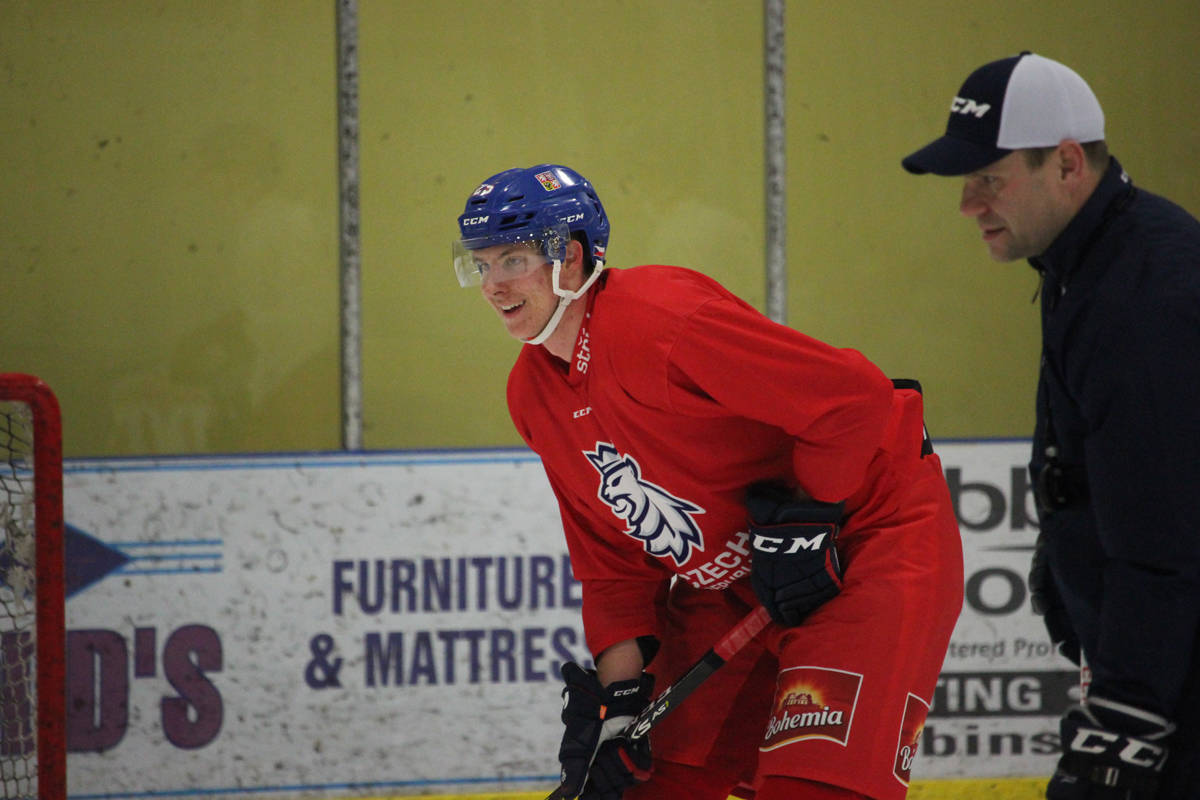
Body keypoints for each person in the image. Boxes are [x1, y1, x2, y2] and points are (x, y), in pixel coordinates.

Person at [452, 164, 964, 800]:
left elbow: (854, 399)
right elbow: (614, 570)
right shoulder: (531, 393)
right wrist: (619, 706)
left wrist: (809, 519)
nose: (493, 284)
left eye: (514, 258)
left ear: (570, 257)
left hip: (863, 538)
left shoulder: (657, 318)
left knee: (810, 789)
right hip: (738, 579)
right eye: (482, 264)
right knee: (647, 785)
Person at [902, 52, 1200, 800]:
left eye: (989, 179)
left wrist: (1127, 720)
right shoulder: (1090, 264)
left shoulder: (1144, 295)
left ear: (1066, 164)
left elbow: (1167, 537)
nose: (969, 204)